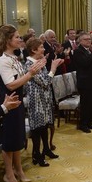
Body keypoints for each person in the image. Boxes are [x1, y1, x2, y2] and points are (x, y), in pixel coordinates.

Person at [0, 24, 44, 182]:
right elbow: (11, 85)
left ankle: (19, 170)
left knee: (17, 140)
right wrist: (31, 73)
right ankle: (9, 175)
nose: (20, 40)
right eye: (16, 37)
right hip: (9, 102)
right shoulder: (2, 60)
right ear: (7, 40)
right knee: (9, 142)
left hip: (18, 101)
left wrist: (31, 72)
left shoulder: (14, 57)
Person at [25, 38, 62, 166]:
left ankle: (46, 149)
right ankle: (37, 155)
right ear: (33, 50)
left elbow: (46, 82)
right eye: (41, 47)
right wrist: (53, 68)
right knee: (37, 128)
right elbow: (45, 81)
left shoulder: (39, 61)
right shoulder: (30, 64)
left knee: (45, 126)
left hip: (44, 99)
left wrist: (50, 68)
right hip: (36, 101)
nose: (44, 48)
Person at [73, 32, 92, 133]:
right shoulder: (78, 51)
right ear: (80, 41)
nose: (89, 41)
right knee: (85, 104)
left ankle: (89, 122)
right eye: (86, 39)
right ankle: (83, 124)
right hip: (84, 82)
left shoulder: (89, 51)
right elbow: (84, 63)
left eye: (89, 39)